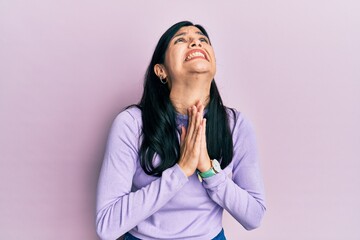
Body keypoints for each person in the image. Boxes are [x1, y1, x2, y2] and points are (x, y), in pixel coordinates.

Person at [96, 21, 266, 240]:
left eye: (202, 40)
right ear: (161, 70)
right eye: (181, 40)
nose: (196, 41)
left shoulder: (236, 125)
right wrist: (181, 171)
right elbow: (106, 226)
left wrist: (209, 171)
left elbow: (254, 217)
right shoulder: (131, 124)